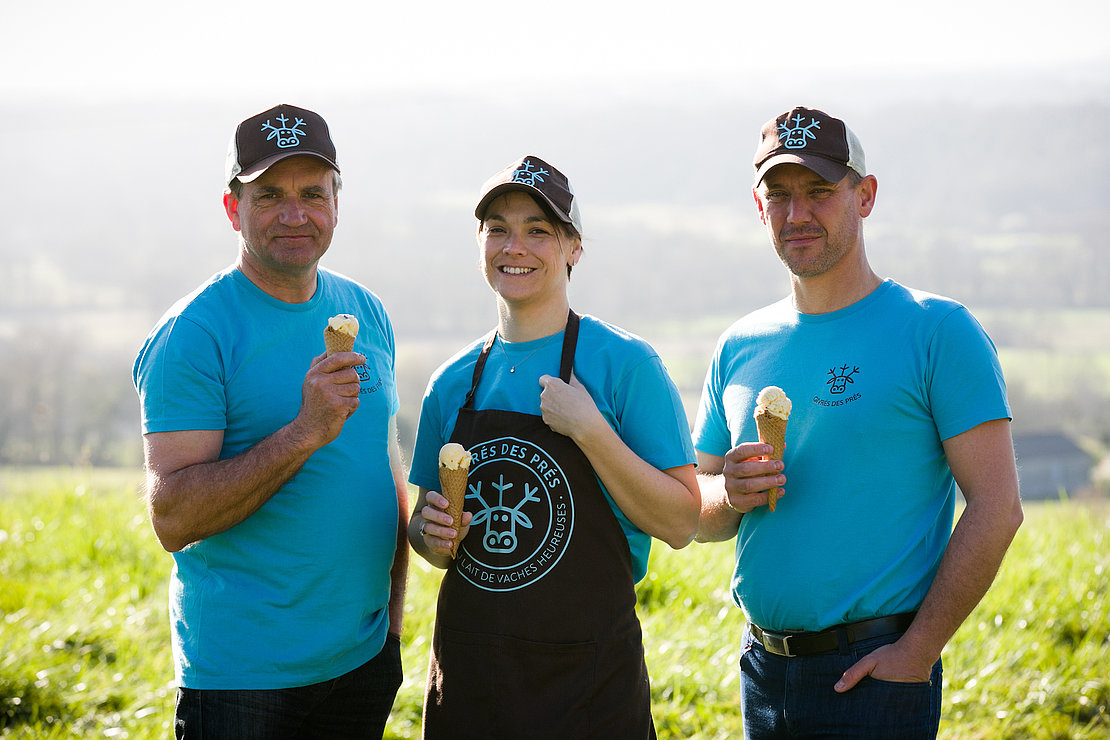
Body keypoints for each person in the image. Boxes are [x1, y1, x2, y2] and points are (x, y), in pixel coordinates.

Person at [693, 107, 1024, 738]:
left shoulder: (937, 331)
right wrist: (726, 494)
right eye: (780, 195)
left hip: (875, 675)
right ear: (758, 207)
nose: (798, 214)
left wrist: (918, 652)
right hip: (762, 673)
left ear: (864, 196)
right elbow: (700, 509)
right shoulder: (738, 345)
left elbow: (997, 505)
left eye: (820, 192)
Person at [132, 103, 408, 738]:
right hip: (243, 683)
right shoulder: (194, 334)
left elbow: (382, 467)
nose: (295, 213)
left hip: (361, 661)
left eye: (313, 192)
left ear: (337, 202)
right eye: (270, 195)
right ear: (233, 209)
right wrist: (305, 431)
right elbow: (174, 517)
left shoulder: (365, 310)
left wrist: (391, 625)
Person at [406, 155, 701, 738]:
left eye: (538, 230)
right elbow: (426, 532)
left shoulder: (624, 366)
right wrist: (431, 535)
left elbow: (682, 521)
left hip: (587, 686)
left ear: (573, 248)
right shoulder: (453, 382)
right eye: (498, 229)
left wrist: (591, 431)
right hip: (471, 681)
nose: (515, 246)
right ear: (480, 244)